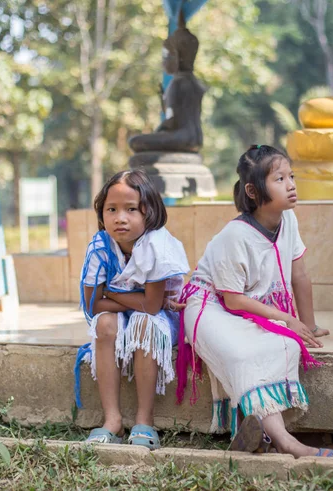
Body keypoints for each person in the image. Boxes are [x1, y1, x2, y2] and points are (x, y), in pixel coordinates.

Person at [176, 145, 333, 458]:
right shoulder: (234, 236)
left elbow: (300, 275)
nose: (291, 184)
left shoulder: (287, 221)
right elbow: (234, 300)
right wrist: (288, 319)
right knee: (243, 354)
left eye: (291, 176)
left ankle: (255, 430)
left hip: (246, 307)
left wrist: (308, 324)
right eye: (279, 178)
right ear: (253, 190)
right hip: (210, 306)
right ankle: (287, 442)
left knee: (290, 343)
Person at [74, 169, 189, 448]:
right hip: (127, 312)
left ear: (148, 212)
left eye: (131, 209)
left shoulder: (157, 245)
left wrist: (111, 292)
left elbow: (151, 307)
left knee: (143, 323)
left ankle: (144, 419)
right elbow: (92, 304)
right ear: (101, 213)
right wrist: (130, 298)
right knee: (104, 324)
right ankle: (112, 420)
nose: (120, 218)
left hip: (161, 316)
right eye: (111, 209)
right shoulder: (100, 246)